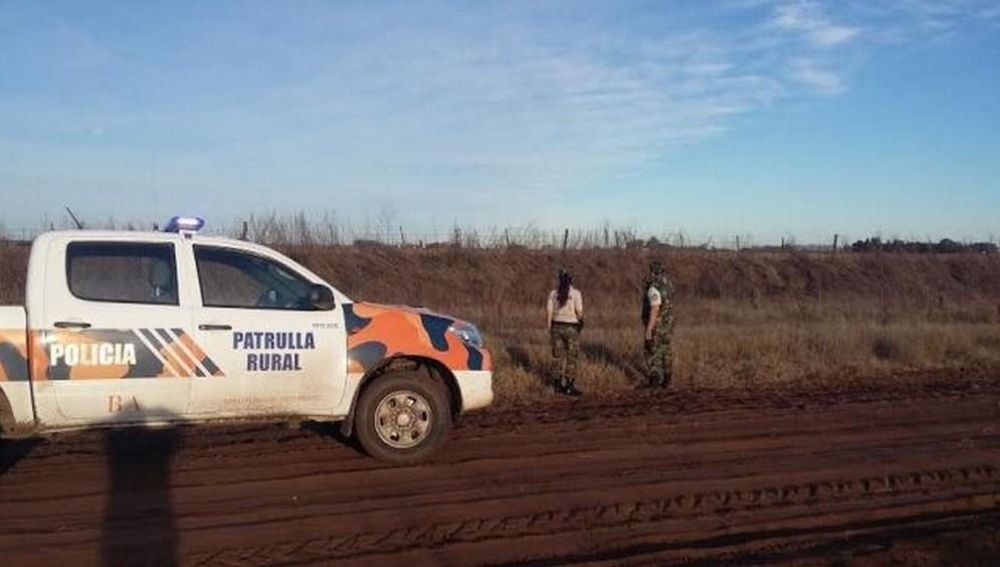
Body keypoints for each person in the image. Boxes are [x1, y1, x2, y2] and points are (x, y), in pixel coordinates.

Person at [546, 267, 584, 396]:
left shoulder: (553, 294)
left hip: (556, 326)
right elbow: (579, 311)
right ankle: (569, 385)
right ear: (571, 280)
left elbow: (549, 312)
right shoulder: (576, 294)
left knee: (557, 357)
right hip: (571, 327)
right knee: (571, 357)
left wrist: (549, 328)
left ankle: (557, 385)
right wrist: (581, 323)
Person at [640, 260, 675, 389]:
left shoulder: (653, 289)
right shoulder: (668, 285)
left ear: (653, 272)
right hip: (668, 326)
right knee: (666, 351)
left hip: (657, 326)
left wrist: (649, 329)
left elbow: (655, 308)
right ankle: (667, 379)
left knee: (652, 351)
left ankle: (654, 381)